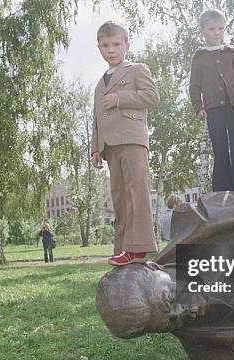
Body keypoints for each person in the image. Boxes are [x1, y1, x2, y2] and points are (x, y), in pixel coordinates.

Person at [90, 21, 160, 266]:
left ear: (126, 45)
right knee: (119, 197)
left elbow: (152, 96)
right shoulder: (100, 83)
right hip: (110, 146)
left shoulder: (137, 69)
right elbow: (96, 117)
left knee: (136, 192)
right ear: (99, 48)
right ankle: (122, 248)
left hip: (132, 139)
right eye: (106, 45)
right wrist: (96, 148)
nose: (111, 50)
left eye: (116, 44)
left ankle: (139, 249)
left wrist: (120, 98)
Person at [189, 9, 234, 192]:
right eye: (212, 29)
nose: (217, 32)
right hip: (213, 108)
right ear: (202, 30)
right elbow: (194, 85)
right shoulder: (199, 56)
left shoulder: (231, 52)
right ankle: (222, 186)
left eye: (220, 28)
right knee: (219, 145)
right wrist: (199, 107)